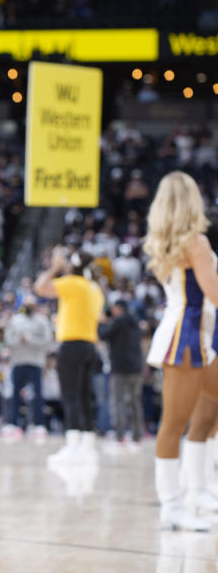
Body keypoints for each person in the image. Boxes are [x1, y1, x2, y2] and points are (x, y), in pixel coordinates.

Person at [143, 171, 218, 530]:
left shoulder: (174, 242)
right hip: (185, 339)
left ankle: (199, 487)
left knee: (208, 408)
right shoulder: (197, 242)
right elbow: (215, 294)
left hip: (194, 336)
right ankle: (172, 507)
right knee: (173, 423)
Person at [34, 247, 104, 466]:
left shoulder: (73, 283)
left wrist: (55, 267)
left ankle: (73, 446)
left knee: (70, 395)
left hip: (72, 345)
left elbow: (40, 288)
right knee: (84, 396)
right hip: (90, 345)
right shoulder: (95, 288)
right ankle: (86, 444)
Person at [99, 299, 145, 447]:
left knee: (118, 401)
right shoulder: (135, 322)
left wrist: (103, 322)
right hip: (136, 368)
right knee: (135, 402)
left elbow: (103, 335)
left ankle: (120, 435)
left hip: (120, 368)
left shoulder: (118, 322)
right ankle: (137, 436)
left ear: (119, 308)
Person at [3, 302, 52, 438]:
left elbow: (47, 340)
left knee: (38, 395)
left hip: (36, 362)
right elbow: (8, 340)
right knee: (14, 394)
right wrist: (20, 340)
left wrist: (30, 339)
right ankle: (12, 423)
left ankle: (38, 425)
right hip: (18, 362)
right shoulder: (15, 320)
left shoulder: (42, 321)